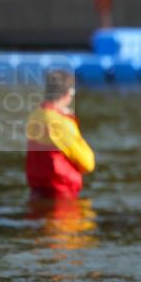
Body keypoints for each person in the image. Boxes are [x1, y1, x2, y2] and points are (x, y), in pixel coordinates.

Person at [26, 69, 95, 199]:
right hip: (61, 194)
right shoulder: (61, 123)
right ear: (68, 93)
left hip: (37, 192)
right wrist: (69, 120)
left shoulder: (35, 116)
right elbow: (87, 163)